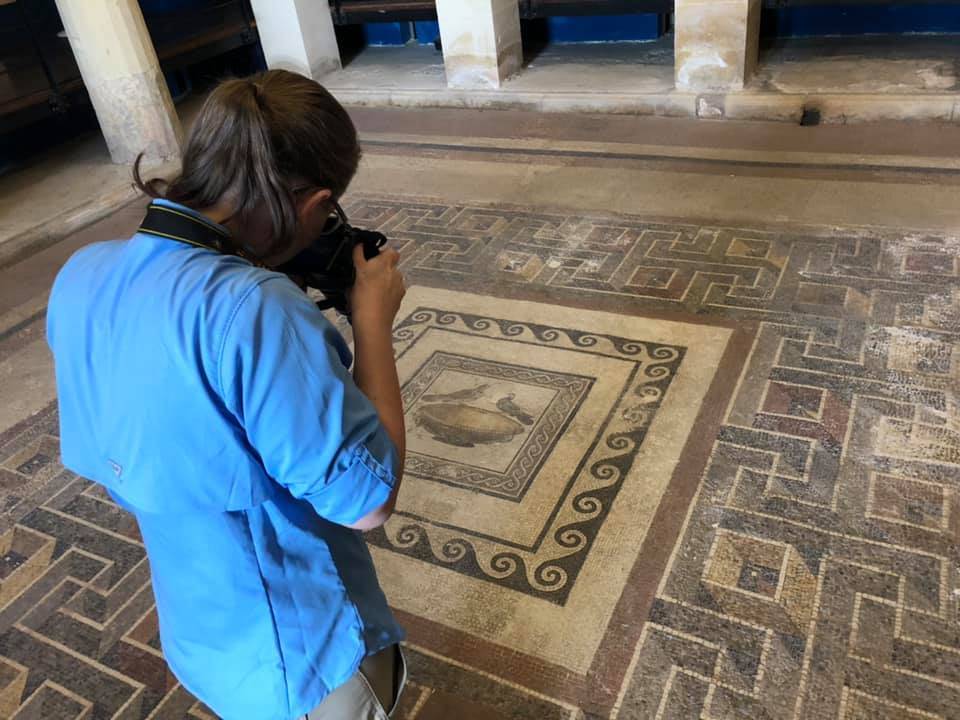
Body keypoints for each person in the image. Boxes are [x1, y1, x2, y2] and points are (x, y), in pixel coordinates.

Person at [46, 70, 407, 720]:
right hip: (308, 666)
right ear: (313, 202)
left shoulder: (81, 276)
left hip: (200, 637)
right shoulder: (257, 310)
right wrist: (371, 320)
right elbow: (367, 501)